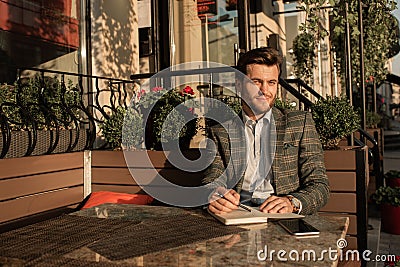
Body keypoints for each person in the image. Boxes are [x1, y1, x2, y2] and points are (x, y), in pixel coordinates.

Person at [203, 47, 329, 215]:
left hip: (283, 215)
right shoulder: (221, 131)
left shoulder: (299, 123)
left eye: (271, 82)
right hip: (238, 213)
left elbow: (319, 185)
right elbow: (212, 178)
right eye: (256, 82)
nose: (265, 90)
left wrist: (292, 202)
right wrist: (215, 194)